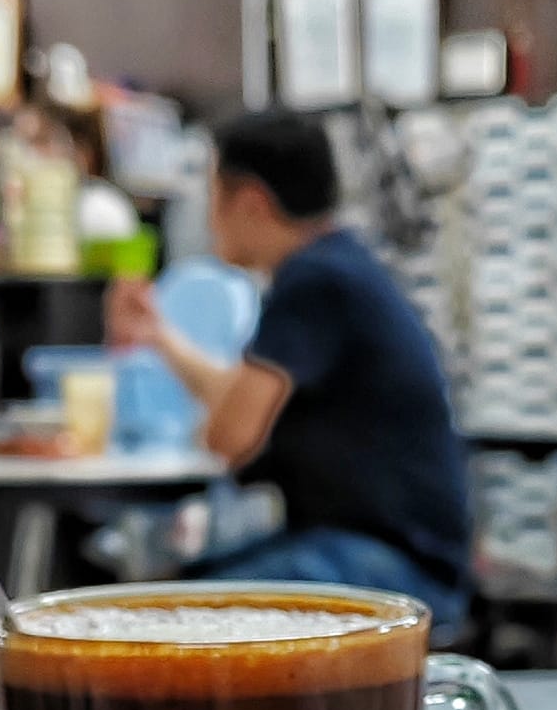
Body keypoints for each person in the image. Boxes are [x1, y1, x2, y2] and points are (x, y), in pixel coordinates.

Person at [106, 109, 473, 628]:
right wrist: (158, 338)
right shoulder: (337, 265)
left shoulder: (314, 282)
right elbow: (241, 402)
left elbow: (231, 435)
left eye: (213, 196)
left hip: (395, 568)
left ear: (252, 202)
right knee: (177, 592)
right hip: (398, 554)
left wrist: (209, 421)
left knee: (163, 620)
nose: (209, 220)